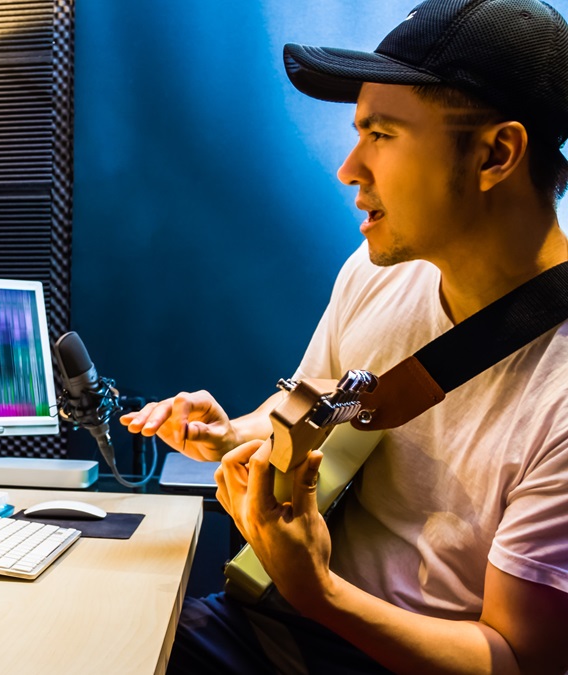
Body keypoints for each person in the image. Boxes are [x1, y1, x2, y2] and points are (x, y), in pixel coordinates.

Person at [120, 0, 568, 673]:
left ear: (496, 153)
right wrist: (234, 431)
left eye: (382, 135)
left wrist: (320, 592)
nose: (350, 167)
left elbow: (515, 657)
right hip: (264, 617)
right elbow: (316, 404)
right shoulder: (373, 273)